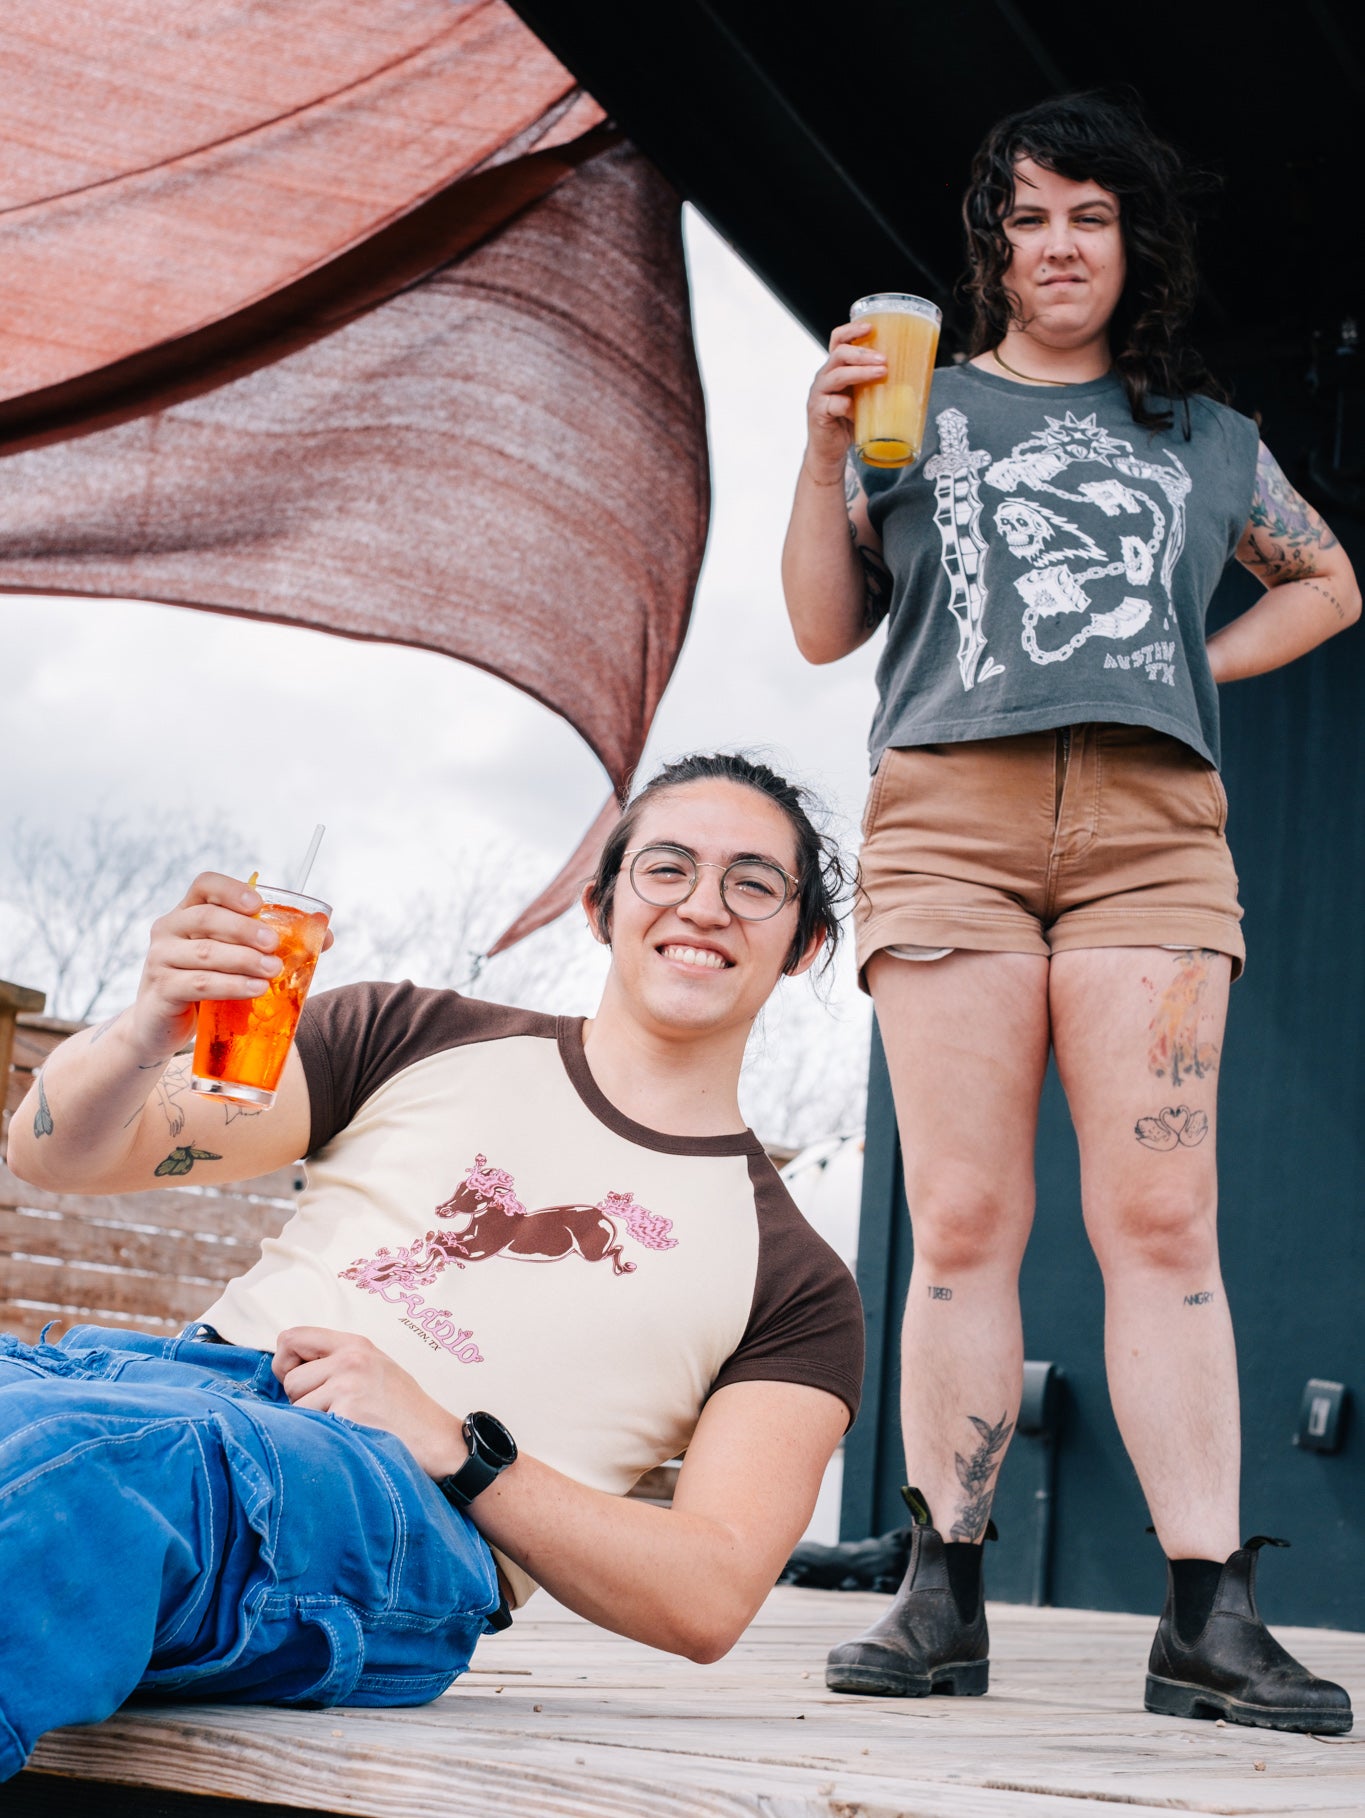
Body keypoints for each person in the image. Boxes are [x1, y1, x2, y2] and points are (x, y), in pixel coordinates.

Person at [781, 90, 1358, 1732]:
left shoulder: (1203, 436)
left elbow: (1330, 579)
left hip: (1153, 836)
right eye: (1029, 217)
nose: (1058, 246)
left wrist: (1200, 665)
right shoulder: (915, 410)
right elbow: (826, 629)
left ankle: (1208, 1616)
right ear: (992, 246)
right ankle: (938, 1590)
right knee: (964, 1218)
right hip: (950, 819)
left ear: (1132, 244)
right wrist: (819, 448)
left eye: (1089, 217)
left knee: (1163, 1222)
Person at [0, 753, 864, 1780]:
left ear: (803, 942)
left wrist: (457, 1444)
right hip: (150, 1384)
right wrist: (148, 1023)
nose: (706, 905)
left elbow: (710, 1595)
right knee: (60, 1439)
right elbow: (55, 1151)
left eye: (754, 883)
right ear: (601, 907)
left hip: (401, 1514)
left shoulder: (797, 1283)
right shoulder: (409, 1035)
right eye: (667, 868)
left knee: (73, 1479)